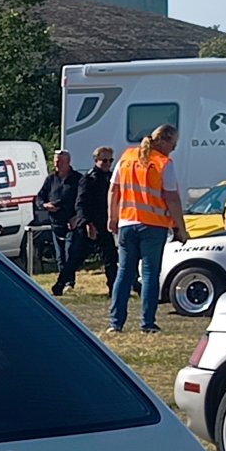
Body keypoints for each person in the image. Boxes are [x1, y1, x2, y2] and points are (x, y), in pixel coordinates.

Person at [107, 123, 188, 334]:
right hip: (153, 225)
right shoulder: (163, 163)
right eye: (173, 143)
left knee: (124, 273)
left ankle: (115, 322)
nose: (174, 148)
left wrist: (112, 217)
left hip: (127, 223)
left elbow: (113, 190)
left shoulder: (126, 157)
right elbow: (172, 198)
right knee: (150, 273)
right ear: (163, 141)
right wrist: (180, 227)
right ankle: (147, 323)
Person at [61, 146, 118, 293]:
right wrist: (87, 224)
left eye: (110, 160)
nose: (107, 163)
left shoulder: (111, 177)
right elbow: (81, 203)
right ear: (96, 160)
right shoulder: (88, 178)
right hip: (89, 225)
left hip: (104, 224)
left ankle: (113, 288)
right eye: (104, 160)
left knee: (111, 258)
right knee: (76, 259)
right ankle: (60, 285)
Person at [39, 150, 82, 295]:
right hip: (56, 223)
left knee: (70, 253)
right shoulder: (50, 179)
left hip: (72, 223)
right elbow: (39, 197)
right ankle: (62, 282)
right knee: (60, 256)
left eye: (60, 162)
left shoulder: (78, 179)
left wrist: (77, 217)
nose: (56, 164)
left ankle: (69, 282)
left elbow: (83, 200)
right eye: (55, 161)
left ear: (68, 162)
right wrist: (45, 205)